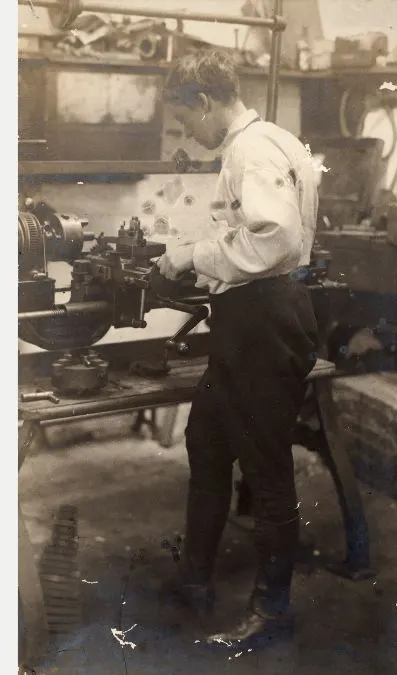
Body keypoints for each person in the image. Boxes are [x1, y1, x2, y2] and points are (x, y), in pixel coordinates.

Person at [155, 49, 321, 649]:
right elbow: (256, 232)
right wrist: (195, 249)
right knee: (206, 442)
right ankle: (194, 579)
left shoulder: (250, 150)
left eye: (183, 122)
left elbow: (273, 239)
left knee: (268, 471)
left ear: (204, 103)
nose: (185, 135)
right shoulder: (273, 139)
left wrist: (192, 256)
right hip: (248, 320)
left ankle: (272, 611)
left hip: (264, 322)